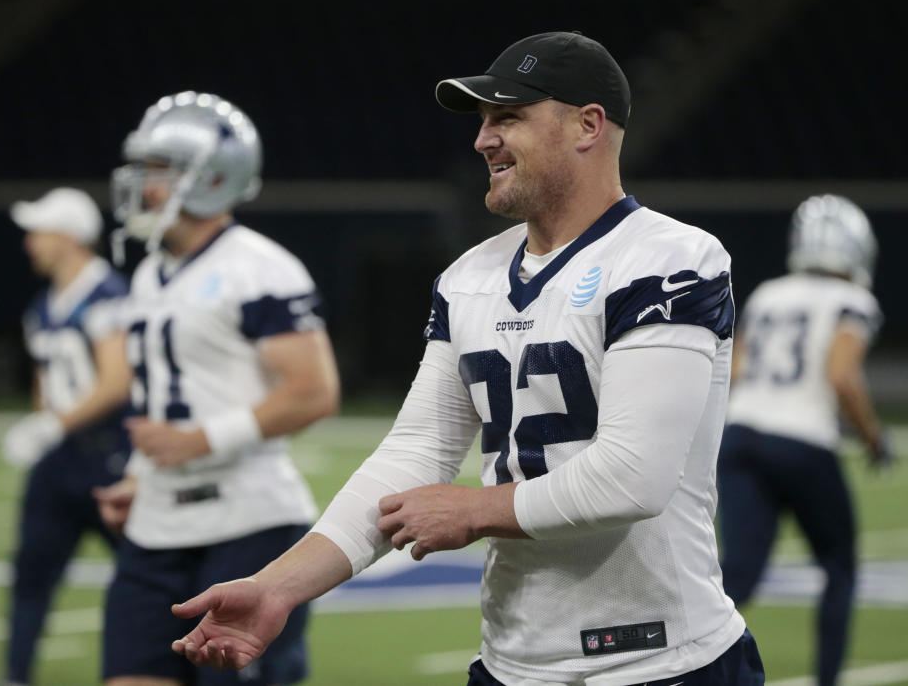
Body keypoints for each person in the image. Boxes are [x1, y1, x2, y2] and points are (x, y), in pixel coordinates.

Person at [170, 33, 764, 685]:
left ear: (587, 125)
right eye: (483, 121)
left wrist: (474, 509)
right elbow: (413, 453)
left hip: (660, 660)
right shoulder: (469, 277)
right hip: (512, 661)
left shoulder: (669, 258)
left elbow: (632, 475)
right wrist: (277, 586)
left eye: (507, 117)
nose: (483, 139)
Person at [94, 90, 340, 686]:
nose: (142, 183)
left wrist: (199, 442)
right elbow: (177, 391)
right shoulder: (150, 269)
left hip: (248, 523)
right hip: (158, 525)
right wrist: (139, 476)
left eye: (158, 169)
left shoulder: (259, 268)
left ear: (210, 177)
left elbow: (313, 391)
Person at [717, 194, 891, 686]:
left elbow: (735, 370)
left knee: (738, 575)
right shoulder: (853, 301)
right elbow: (842, 377)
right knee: (839, 568)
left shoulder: (770, 293)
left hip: (741, 435)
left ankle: (677, 668)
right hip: (801, 442)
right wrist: (874, 440)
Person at [0, 187, 132, 686]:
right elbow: (45, 379)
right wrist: (45, 422)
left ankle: (171, 669)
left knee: (146, 576)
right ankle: (14, 677)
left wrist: (52, 424)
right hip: (59, 463)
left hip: (111, 460)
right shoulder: (43, 304)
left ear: (70, 236)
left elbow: (117, 381)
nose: (30, 242)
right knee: (31, 577)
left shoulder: (107, 295)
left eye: (39, 231)